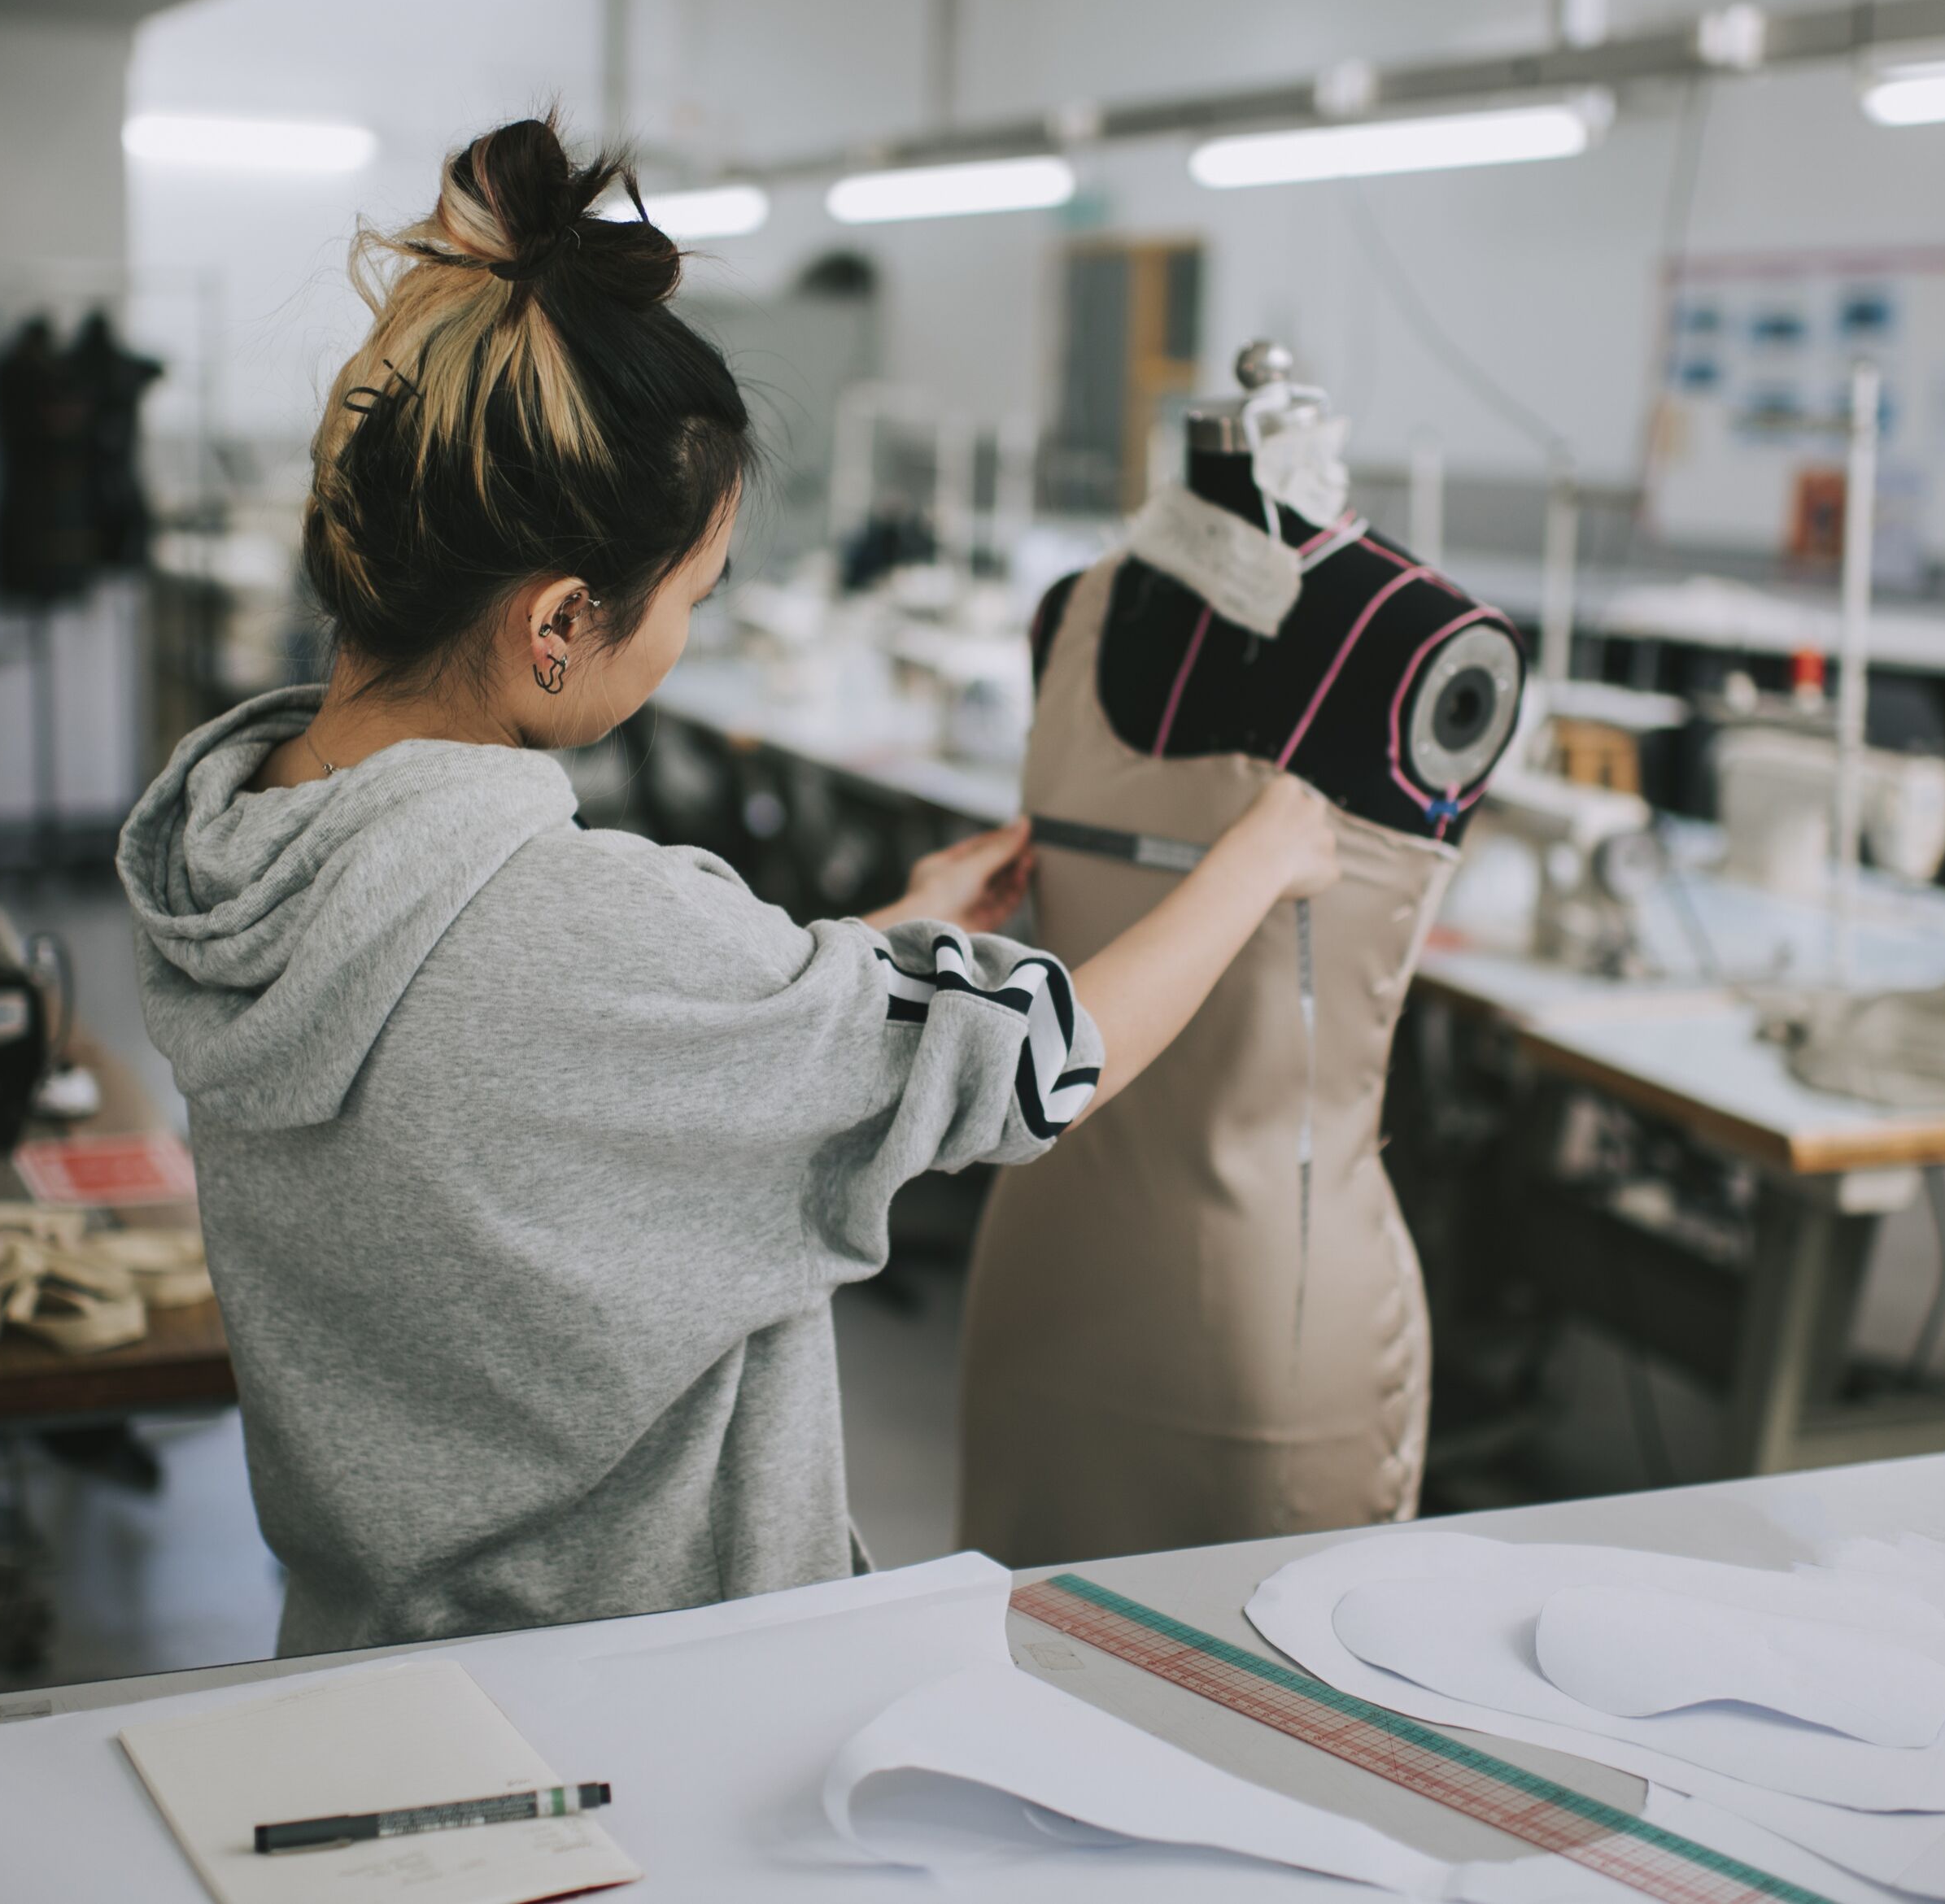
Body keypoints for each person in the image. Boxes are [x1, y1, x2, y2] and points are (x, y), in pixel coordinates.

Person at [119, 115, 1339, 1655]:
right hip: (646, 1702)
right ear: (561, 622)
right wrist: (1267, 854)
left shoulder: (244, 855)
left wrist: (884, 936)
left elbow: (577, 1048)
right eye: (690, 599)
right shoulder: (593, 926)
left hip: (372, 1677)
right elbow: (1040, 1062)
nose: (687, 634)